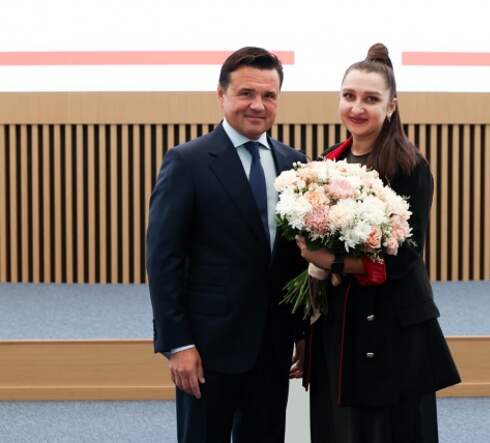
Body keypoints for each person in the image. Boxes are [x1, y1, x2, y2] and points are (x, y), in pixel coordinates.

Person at [297, 43, 461, 443]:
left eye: (370, 99)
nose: (357, 107)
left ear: (391, 107)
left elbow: (405, 259)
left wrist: (333, 262)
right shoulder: (328, 161)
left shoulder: (408, 166)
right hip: (338, 321)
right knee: (339, 428)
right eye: (349, 96)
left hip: (390, 326)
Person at [146, 47, 307, 443]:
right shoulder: (187, 162)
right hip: (207, 350)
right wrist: (178, 344)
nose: (258, 105)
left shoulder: (295, 164)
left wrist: (304, 333)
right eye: (246, 93)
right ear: (221, 95)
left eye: (269, 95)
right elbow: (164, 260)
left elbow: (296, 263)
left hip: (273, 348)